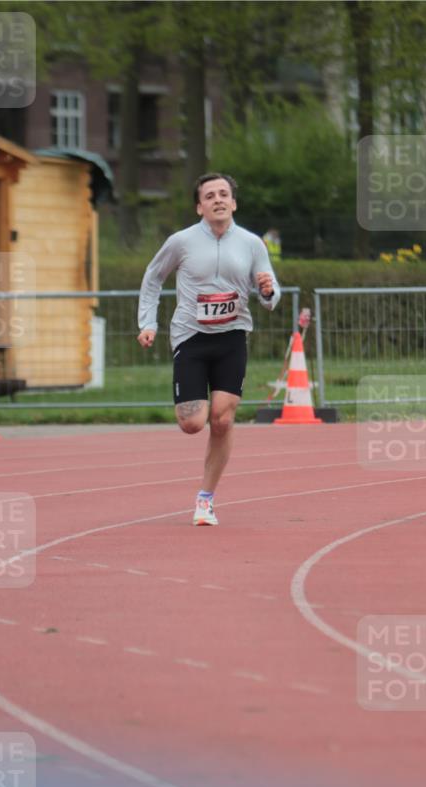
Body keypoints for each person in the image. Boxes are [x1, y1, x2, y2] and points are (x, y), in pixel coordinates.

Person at [137, 173, 280, 526]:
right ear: (200, 205)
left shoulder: (251, 244)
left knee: (223, 418)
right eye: (210, 195)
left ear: (233, 203)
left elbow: (271, 296)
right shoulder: (181, 242)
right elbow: (153, 277)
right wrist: (148, 323)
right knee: (192, 422)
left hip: (232, 336)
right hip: (191, 337)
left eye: (224, 194)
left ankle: (206, 499)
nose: (218, 199)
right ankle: (208, 429)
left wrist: (266, 290)